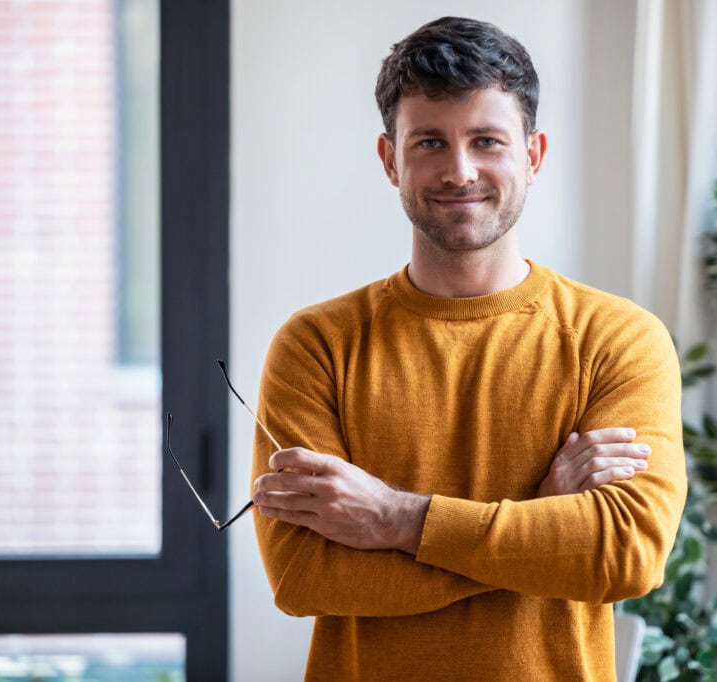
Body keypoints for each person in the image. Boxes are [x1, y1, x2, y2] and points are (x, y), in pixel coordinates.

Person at [250, 16, 686, 680]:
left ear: (533, 156)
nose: (460, 171)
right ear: (390, 159)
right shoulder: (316, 347)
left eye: (486, 140)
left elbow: (625, 554)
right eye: (429, 141)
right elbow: (305, 575)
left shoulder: (617, 340)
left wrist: (396, 519)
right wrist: (538, 525)